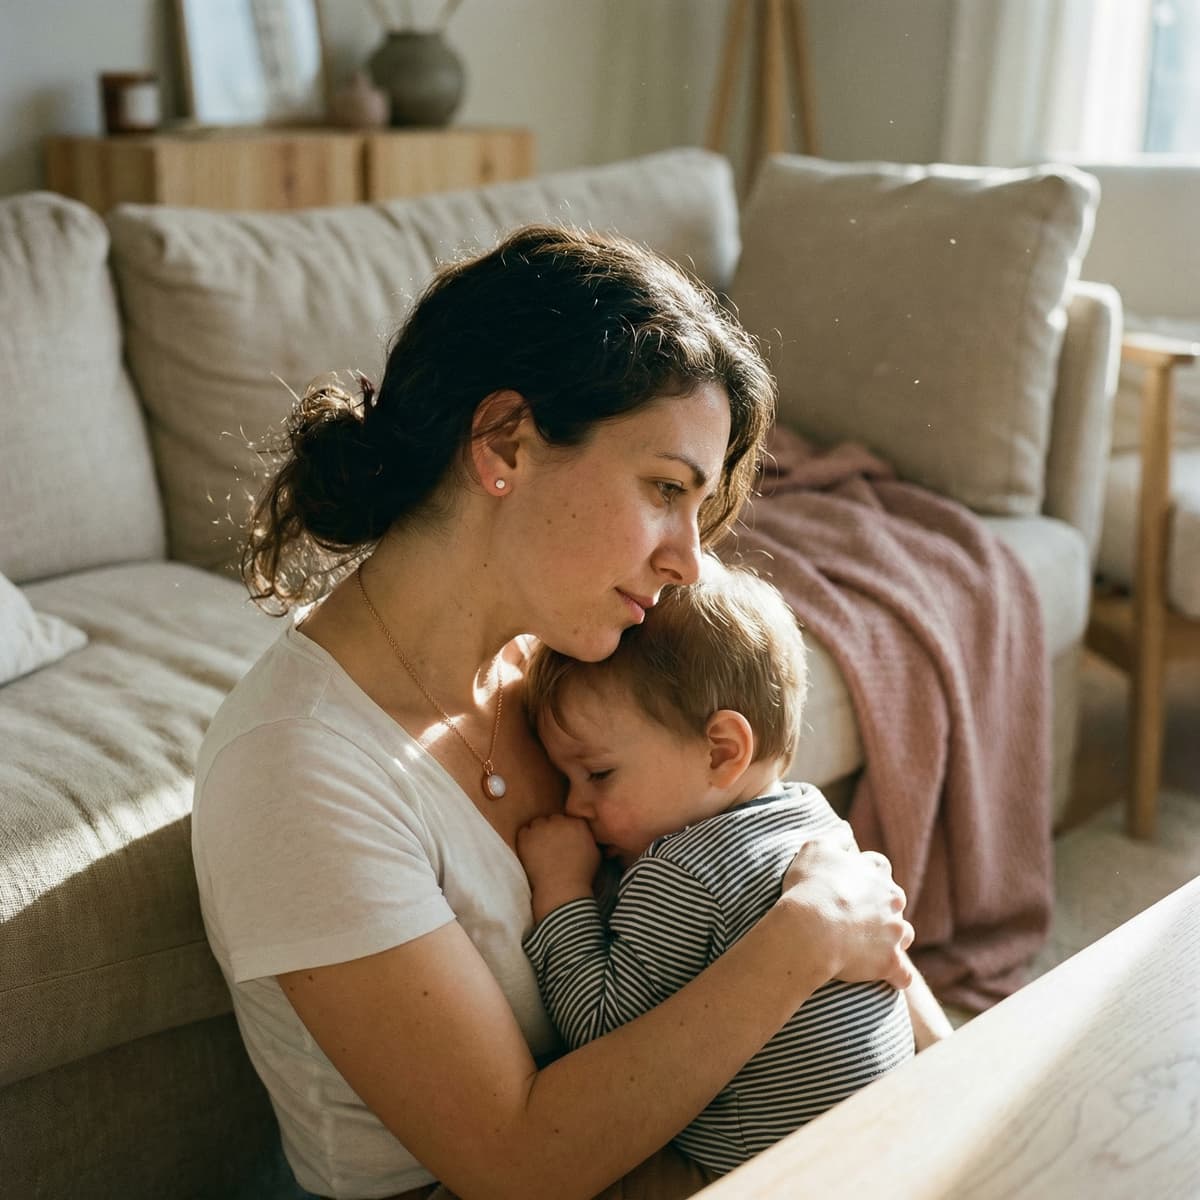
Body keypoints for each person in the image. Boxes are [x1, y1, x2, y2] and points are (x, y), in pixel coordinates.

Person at [191, 223, 917, 1200]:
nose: (690, 562)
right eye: (666, 490)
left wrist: (954, 1089)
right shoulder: (296, 768)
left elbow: (771, 860)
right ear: (504, 444)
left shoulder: (573, 679)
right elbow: (513, 1165)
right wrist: (803, 943)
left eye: (697, 511)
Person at [518, 556, 953, 1177]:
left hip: (776, 1169)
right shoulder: (813, 815)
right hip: (887, 1128)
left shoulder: (679, 873)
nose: (574, 806)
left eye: (598, 774)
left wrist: (562, 891)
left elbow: (598, 1028)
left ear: (721, 751)